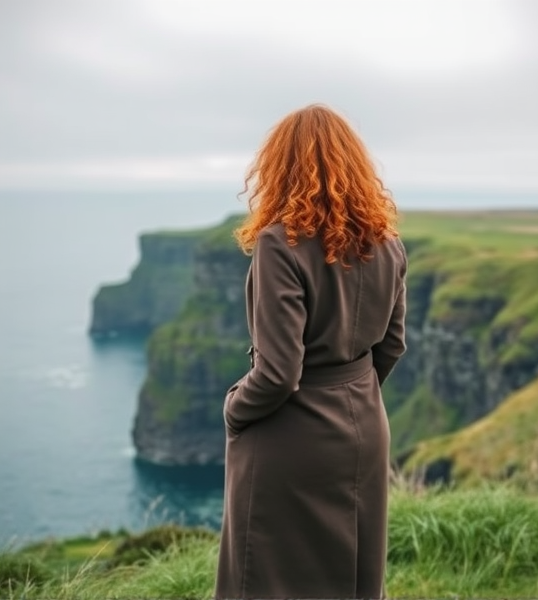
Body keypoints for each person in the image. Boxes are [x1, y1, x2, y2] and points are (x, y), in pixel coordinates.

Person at [215, 104, 408, 599]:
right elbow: (392, 345)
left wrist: (235, 409)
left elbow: (279, 373)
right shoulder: (388, 245)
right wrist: (354, 393)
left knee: (268, 580)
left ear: (279, 168)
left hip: (290, 436)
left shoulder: (279, 244)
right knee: (353, 579)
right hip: (364, 425)